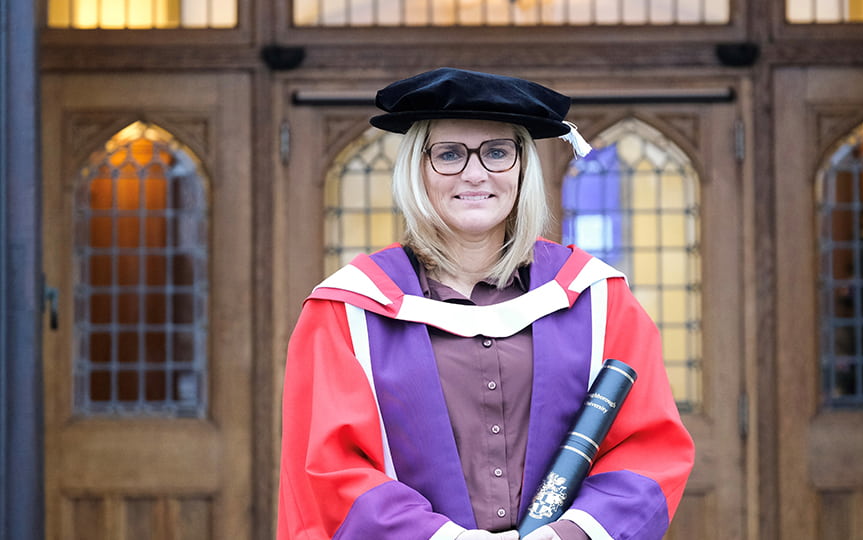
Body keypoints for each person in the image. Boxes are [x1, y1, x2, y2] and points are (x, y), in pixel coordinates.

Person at [277, 67, 695, 540]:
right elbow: (330, 467)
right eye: (449, 154)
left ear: (522, 168)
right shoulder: (347, 312)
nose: (475, 174)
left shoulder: (595, 298)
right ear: (418, 168)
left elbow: (648, 445)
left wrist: (572, 534)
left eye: (497, 152)